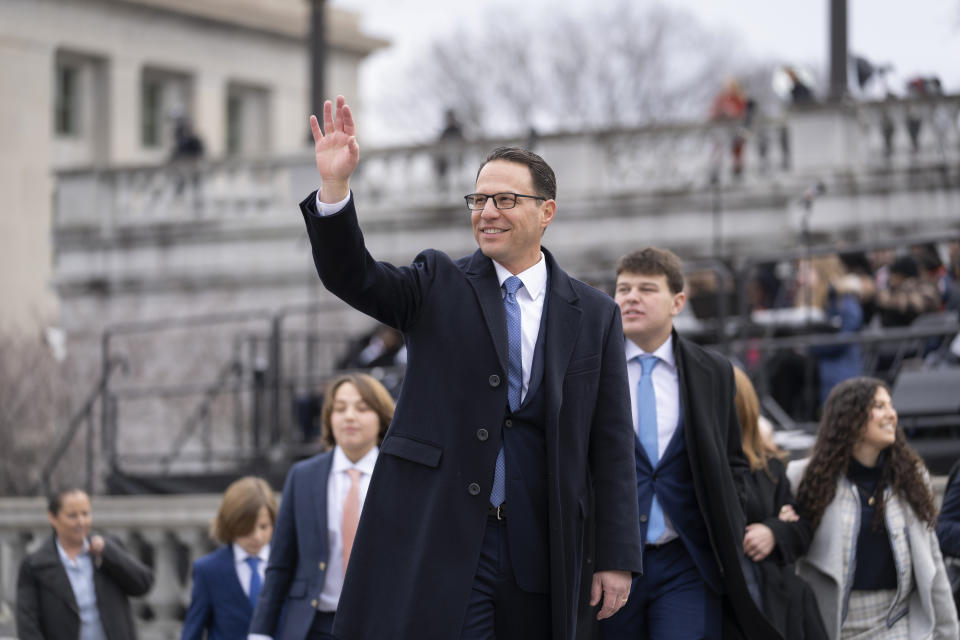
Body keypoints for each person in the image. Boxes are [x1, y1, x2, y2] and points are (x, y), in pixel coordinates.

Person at [298, 96, 641, 640]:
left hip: (544, 546)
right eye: (478, 199)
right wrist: (335, 191)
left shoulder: (594, 314)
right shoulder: (438, 282)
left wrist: (617, 554)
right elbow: (354, 276)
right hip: (448, 539)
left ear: (546, 211)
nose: (487, 212)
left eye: (505, 199)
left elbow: (612, 441)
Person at [601, 247, 780, 639]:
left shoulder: (711, 371)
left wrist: (729, 523)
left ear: (678, 302)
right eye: (623, 289)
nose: (631, 297)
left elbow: (733, 459)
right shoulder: (592, 369)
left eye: (646, 289)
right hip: (610, 565)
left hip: (687, 561)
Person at [788, 377, 958, 639]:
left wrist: (949, 632)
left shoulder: (911, 478)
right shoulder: (802, 479)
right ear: (850, 417)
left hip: (899, 624)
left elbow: (932, 565)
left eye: (891, 405)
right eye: (879, 406)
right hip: (830, 626)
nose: (891, 414)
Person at [249, 373, 395, 639]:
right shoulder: (303, 477)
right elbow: (281, 562)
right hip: (315, 627)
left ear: (382, 417)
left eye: (362, 408)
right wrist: (260, 632)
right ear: (328, 417)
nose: (349, 416)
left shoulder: (401, 479)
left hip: (384, 626)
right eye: (339, 408)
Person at [734, 367, 828, 640]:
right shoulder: (696, 466)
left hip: (773, 601)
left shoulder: (769, 468)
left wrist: (773, 531)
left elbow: (802, 527)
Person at [16, 487, 154, 640]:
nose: (81, 521)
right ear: (53, 518)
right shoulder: (35, 564)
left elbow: (143, 583)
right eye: (72, 516)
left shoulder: (108, 548)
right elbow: (27, 621)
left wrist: (108, 553)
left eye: (85, 514)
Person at [181, 476, 278, 640]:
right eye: (247, 528)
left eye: (263, 526)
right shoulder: (208, 570)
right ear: (231, 524)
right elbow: (192, 631)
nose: (257, 536)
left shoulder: (289, 564)